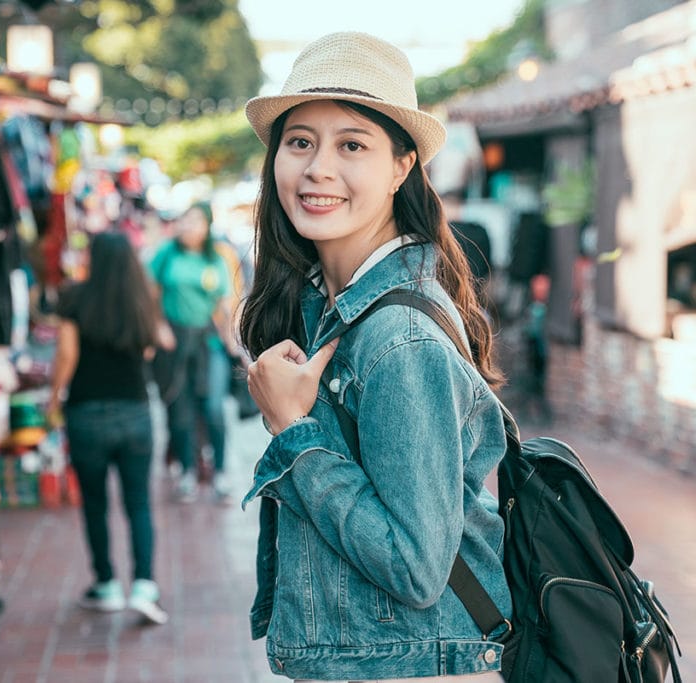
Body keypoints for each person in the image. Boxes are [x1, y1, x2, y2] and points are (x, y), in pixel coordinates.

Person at [238, 32, 511, 681]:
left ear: (400, 166)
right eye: (300, 141)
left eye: (351, 144)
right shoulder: (335, 305)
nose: (317, 169)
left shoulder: (397, 338)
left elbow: (416, 568)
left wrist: (295, 435)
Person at [46, 231, 168, 625]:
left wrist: (53, 400)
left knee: (95, 505)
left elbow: (67, 353)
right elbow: (152, 347)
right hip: (135, 411)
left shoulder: (74, 297)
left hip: (86, 413)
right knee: (138, 503)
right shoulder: (142, 297)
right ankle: (145, 585)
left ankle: (107, 584)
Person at [148, 202, 234, 503]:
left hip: (208, 344)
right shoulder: (166, 254)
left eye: (196, 221)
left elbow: (225, 303)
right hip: (174, 342)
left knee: (213, 408)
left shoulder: (216, 259)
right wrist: (158, 326)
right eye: (184, 219)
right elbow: (149, 291)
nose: (188, 226)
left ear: (207, 227)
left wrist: (232, 342)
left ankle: (220, 472)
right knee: (179, 411)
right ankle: (186, 472)